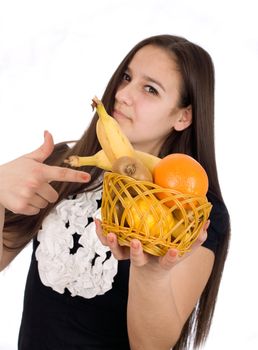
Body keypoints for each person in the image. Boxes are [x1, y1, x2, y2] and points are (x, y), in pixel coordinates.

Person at [0, 34, 230, 350]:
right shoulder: (64, 163)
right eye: (126, 77)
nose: (122, 94)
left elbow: (152, 346)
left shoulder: (193, 210)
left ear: (183, 116)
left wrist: (150, 275)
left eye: (150, 89)